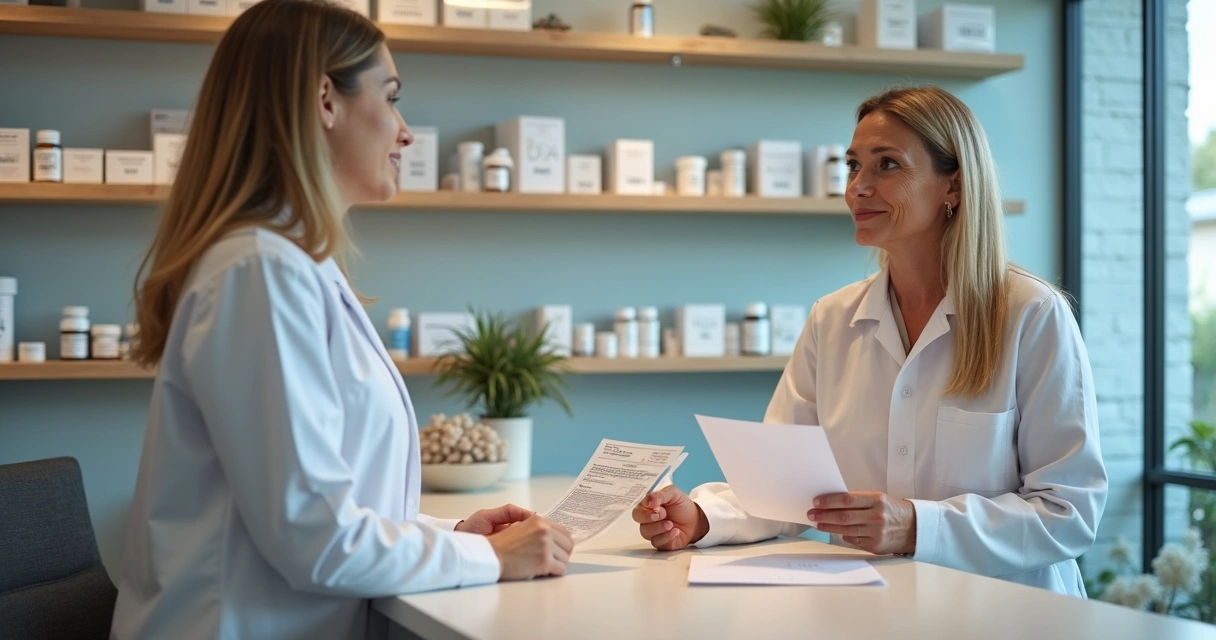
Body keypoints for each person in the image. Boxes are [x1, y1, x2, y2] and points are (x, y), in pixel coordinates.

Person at [110, 1, 571, 637]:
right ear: (325, 100)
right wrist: (486, 557)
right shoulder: (259, 272)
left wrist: (451, 531)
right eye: (391, 96)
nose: (406, 132)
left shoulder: (293, 263)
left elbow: (333, 507)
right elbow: (314, 536)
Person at [634, 86, 1107, 597]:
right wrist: (703, 518)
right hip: (870, 609)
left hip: (1010, 615)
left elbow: (1068, 511)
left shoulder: (1031, 314)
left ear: (955, 186)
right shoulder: (833, 319)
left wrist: (917, 525)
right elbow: (783, 487)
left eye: (887, 166)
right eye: (854, 166)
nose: (858, 187)